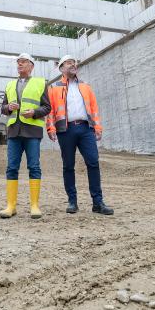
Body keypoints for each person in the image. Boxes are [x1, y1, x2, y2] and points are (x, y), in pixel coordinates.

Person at [46, 55, 114, 215]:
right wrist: (50, 128)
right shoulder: (54, 88)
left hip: (86, 129)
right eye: (68, 63)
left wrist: (97, 127)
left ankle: (98, 203)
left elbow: (94, 108)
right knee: (68, 166)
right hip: (65, 130)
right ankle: (72, 202)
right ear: (61, 68)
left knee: (93, 162)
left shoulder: (85, 86)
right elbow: (50, 111)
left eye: (73, 63)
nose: (72, 65)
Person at [0, 53, 51, 219]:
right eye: (18, 62)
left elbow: (47, 107)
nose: (20, 64)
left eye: (23, 62)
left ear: (31, 66)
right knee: (12, 168)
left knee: (34, 167)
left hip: (32, 131)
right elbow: (3, 108)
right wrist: (9, 107)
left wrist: (34, 112)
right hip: (14, 131)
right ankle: (11, 206)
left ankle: (34, 205)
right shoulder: (10, 85)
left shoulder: (40, 83)